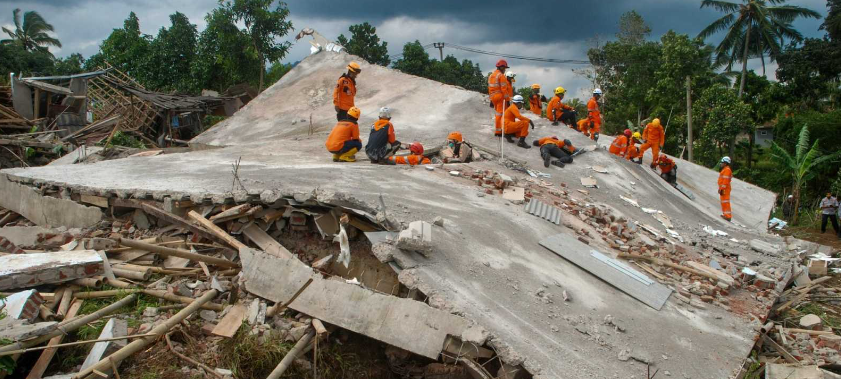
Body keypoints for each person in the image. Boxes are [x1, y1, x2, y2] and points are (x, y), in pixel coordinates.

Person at [488, 60, 511, 136]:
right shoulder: (501, 76)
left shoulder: (491, 75)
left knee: (498, 114)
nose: (505, 70)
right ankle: (499, 131)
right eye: (504, 68)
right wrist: (507, 100)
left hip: (493, 97)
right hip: (500, 97)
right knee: (500, 115)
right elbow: (504, 89)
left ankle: (498, 129)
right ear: (501, 67)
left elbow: (490, 88)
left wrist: (491, 99)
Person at [718, 156, 733, 221]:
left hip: (725, 189)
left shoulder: (727, 170)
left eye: (722, 162)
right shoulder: (725, 169)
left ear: (725, 163)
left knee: (725, 202)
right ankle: (725, 215)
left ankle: (728, 216)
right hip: (724, 188)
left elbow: (725, 181)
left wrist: (722, 189)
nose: (721, 163)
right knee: (724, 202)